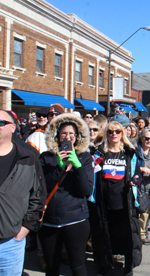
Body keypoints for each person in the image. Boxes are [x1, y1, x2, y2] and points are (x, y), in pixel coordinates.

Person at [0, 109, 47, 275]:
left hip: (10, 245)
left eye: (0, 122)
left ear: (13, 127)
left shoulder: (28, 159)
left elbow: (38, 197)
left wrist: (24, 230)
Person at [39, 113, 94, 276]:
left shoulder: (84, 157)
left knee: (77, 266)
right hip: (50, 220)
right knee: (51, 266)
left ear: (77, 137)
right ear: (57, 135)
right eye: (64, 133)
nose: (67, 137)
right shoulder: (46, 157)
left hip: (76, 218)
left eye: (71, 134)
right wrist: (60, 167)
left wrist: (77, 166)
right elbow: (42, 187)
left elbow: (85, 190)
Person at [89, 121, 142, 276]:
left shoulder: (128, 153)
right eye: (111, 131)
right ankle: (104, 265)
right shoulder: (100, 153)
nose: (114, 134)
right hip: (103, 202)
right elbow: (93, 173)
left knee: (126, 235)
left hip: (124, 202)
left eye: (117, 131)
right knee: (104, 234)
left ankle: (128, 267)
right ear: (106, 134)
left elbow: (137, 174)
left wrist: (136, 180)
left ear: (122, 134)